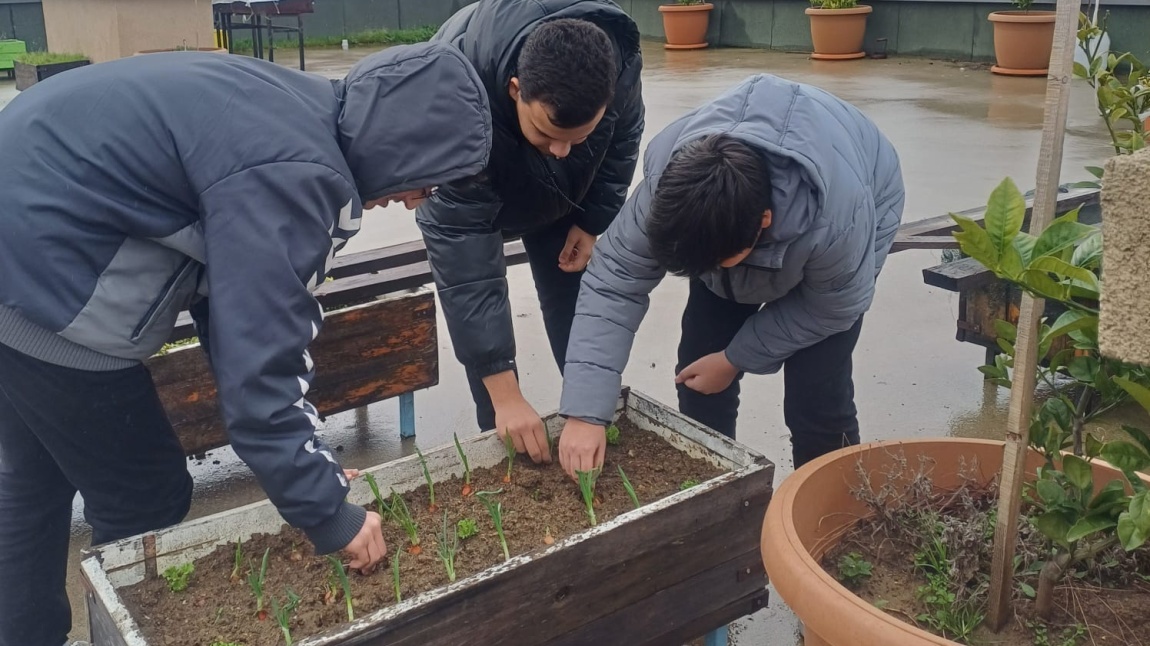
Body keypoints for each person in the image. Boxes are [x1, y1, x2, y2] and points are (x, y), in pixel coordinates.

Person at [0, 42, 491, 646]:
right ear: (407, 145)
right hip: (45, 275)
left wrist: (312, 463)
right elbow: (261, 389)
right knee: (145, 501)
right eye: (431, 180)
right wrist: (329, 512)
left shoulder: (298, 108)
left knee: (33, 482)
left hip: (21, 228)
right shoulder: (299, 174)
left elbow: (236, 317)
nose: (419, 199)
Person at [556, 74, 905, 478]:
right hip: (743, 212)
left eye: (721, 260)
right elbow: (615, 279)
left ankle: (830, 519)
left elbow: (831, 309)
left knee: (817, 399)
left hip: (859, 183)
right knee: (696, 370)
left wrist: (736, 357)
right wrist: (586, 412)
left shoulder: (838, 222)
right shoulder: (672, 184)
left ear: (764, 222)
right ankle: (717, 489)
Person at [417, 0, 644, 464]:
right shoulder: (452, 97)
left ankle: (591, 418)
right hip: (481, 182)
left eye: (578, 137)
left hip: (566, 199)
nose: (561, 150)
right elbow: (466, 263)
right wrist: (504, 393)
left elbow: (623, 139)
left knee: (572, 298)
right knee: (500, 393)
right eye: (546, 133)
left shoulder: (613, 64)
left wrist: (591, 219)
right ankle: (505, 450)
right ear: (516, 90)